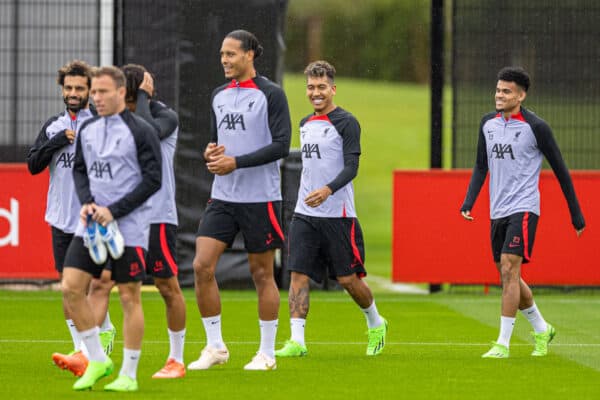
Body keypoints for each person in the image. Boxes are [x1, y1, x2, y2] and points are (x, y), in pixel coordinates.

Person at [460, 66, 585, 358]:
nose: (499, 95)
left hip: (524, 208)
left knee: (508, 267)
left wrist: (575, 213)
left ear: (521, 95)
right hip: (497, 209)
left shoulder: (536, 127)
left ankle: (503, 343)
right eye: (498, 90)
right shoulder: (487, 124)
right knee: (508, 275)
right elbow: (481, 165)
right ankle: (541, 328)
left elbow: (561, 170)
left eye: (506, 91)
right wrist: (469, 201)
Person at [188, 29, 291, 371]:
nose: (224, 60)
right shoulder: (219, 95)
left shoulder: (271, 95)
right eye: (221, 55)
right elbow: (218, 140)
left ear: (250, 55)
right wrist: (212, 151)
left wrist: (237, 162)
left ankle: (267, 354)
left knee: (262, 273)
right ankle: (215, 347)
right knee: (202, 266)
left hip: (260, 198)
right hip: (223, 197)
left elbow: (280, 146)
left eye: (231, 54)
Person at [275, 60, 388, 359]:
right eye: (311, 87)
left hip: (338, 215)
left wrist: (328, 190)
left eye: (321, 87)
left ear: (333, 89)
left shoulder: (346, 122)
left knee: (348, 280)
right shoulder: (305, 124)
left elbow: (352, 167)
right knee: (297, 275)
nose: (316, 93)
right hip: (304, 215)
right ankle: (297, 340)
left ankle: (376, 322)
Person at [61, 65, 162, 391]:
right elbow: (79, 170)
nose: (97, 98)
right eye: (94, 93)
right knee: (71, 287)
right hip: (91, 225)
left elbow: (153, 180)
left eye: (103, 92)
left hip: (129, 227)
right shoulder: (88, 130)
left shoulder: (142, 131)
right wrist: (89, 202)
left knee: (130, 297)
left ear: (121, 93)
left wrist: (113, 211)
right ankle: (97, 359)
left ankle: (129, 375)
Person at [88, 63, 187, 379]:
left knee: (166, 286)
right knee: (101, 281)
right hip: (118, 215)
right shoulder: (113, 119)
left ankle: (176, 358)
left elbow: (149, 132)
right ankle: (91, 354)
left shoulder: (163, 116)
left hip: (157, 216)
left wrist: (143, 97)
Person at [26, 60, 116, 377]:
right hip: (61, 219)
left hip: (91, 220)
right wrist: (57, 142)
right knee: (68, 288)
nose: (74, 93)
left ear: (90, 91)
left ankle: (99, 337)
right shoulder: (54, 126)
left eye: (80, 88)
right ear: (62, 90)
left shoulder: (101, 123)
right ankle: (82, 349)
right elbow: (33, 164)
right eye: (69, 88)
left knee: (89, 285)